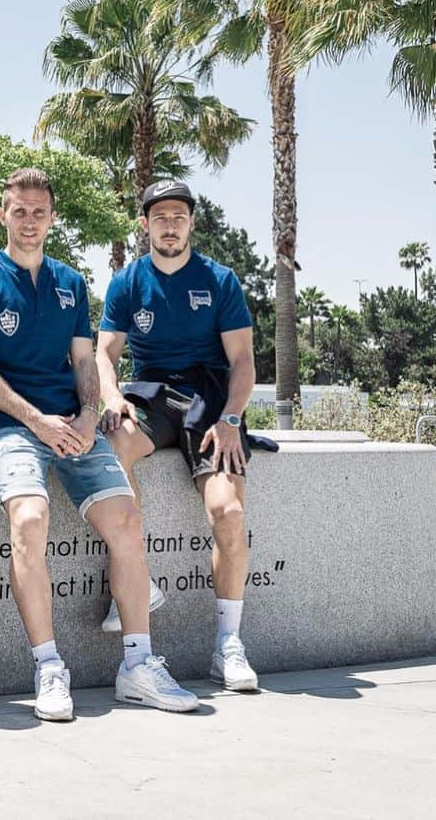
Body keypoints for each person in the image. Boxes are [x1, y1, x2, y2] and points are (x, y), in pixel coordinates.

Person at [0, 168, 199, 719]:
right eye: (20, 211)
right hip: (11, 427)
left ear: (52, 218)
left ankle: (138, 665)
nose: (30, 221)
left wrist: (89, 415)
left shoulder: (69, 282)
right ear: (4, 215)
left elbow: (86, 361)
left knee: (128, 520)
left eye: (40, 212)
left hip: (74, 427)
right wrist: (36, 419)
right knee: (30, 521)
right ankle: (49, 668)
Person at [97, 178, 259, 692]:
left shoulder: (219, 280)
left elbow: (243, 361)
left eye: (179, 217)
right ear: (144, 224)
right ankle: (140, 583)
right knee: (112, 448)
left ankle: (227, 645)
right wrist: (111, 397)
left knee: (228, 512)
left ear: (192, 223)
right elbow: (104, 354)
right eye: (160, 217)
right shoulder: (126, 283)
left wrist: (231, 418)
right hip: (150, 396)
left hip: (210, 402)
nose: (170, 225)